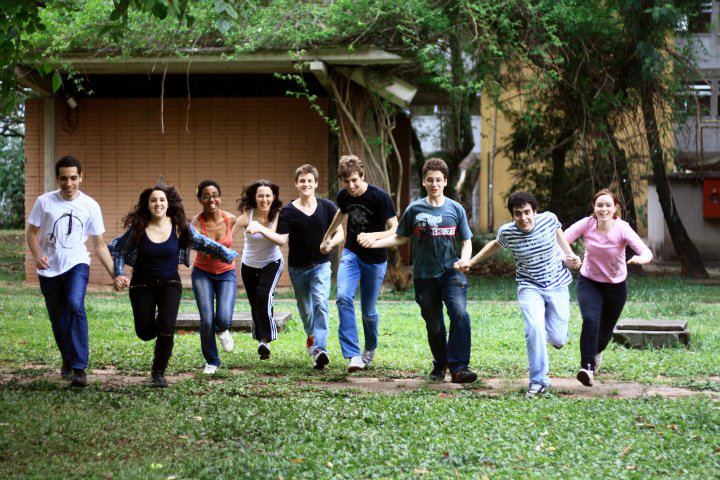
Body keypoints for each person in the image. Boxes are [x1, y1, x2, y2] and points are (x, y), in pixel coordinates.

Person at [359, 158, 477, 383]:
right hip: (424, 276)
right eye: (430, 180)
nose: (434, 184)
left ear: (445, 182)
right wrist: (373, 243)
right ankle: (440, 365)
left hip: (451, 272)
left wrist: (464, 260)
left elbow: (467, 240)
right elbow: (400, 237)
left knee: (460, 314)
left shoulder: (455, 208)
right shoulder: (414, 209)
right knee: (434, 324)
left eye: (439, 180)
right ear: (424, 181)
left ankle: (460, 368)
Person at [109, 181, 237, 387]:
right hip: (142, 285)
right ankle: (158, 323)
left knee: (167, 329)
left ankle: (158, 373)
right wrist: (118, 272)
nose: (158, 203)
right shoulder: (139, 228)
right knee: (145, 333)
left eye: (162, 200)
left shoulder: (179, 227)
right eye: (153, 200)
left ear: (168, 203)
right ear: (147, 204)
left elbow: (203, 242)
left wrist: (226, 253)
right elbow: (117, 248)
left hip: (170, 284)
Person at [456, 192, 581, 397]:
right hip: (529, 285)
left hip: (557, 283)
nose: (523, 218)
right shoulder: (508, 232)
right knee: (534, 329)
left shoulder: (549, 219)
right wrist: (471, 261)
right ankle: (539, 381)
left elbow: (560, 237)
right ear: (512, 215)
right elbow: (494, 245)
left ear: (535, 211)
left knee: (558, 338)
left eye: (527, 212)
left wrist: (570, 256)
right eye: (517, 214)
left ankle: (557, 338)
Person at [26, 156, 118, 387]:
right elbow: (31, 233)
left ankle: (79, 367)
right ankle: (67, 358)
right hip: (49, 269)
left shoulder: (90, 205)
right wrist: (37, 256)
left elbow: (99, 245)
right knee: (58, 318)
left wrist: (115, 274)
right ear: (57, 178)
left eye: (74, 178)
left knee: (75, 304)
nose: (69, 183)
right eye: (64, 178)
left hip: (77, 263)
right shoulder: (44, 202)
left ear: (81, 177)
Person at [565, 188, 653, 387]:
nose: (603, 209)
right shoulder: (587, 224)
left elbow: (646, 251)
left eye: (607, 205)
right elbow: (562, 238)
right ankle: (586, 367)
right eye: (599, 205)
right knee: (590, 320)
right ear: (594, 208)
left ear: (615, 208)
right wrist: (568, 256)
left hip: (616, 286)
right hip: (589, 282)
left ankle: (597, 352)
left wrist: (641, 258)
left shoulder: (622, 228)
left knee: (605, 330)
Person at [259, 165, 344, 369]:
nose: (306, 184)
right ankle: (311, 336)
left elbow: (340, 233)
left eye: (309, 180)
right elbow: (282, 239)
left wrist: (331, 243)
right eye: (302, 181)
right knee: (306, 311)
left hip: (321, 265)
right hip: (298, 268)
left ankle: (320, 349)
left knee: (321, 303)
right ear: (296, 184)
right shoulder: (288, 211)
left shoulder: (328, 207)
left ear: (315, 183)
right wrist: (261, 230)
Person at [320, 155, 397, 372]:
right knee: (343, 297)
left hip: (375, 259)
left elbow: (395, 228)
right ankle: (353, 355)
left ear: (362, 176)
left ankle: (370, 348)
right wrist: (327, 236)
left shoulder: (380, 197)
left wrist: (374, 236)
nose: (351, 186)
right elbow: (340, 214)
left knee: (368, 311)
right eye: (347, 182)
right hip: (352, 254)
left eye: (355, 180)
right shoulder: (344, 195)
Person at [232, 180, 284, 361]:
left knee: (264, 295)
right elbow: (229, 237)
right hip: (248, 265)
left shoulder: (277, 215)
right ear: (255, 197)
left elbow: (279, 239)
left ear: (273, 197)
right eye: (260, 195)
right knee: (255, 302)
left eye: (268, 195)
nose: (264, 199)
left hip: (272, 262)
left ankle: (266, 338)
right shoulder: (247, 215)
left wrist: (260, 227)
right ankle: (261, 340)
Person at [191, 180, 238, 375]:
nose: (212, 199)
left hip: (227, 273)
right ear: (200, 199)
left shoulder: (231, 219)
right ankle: (212, 360)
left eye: (215, 195)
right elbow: (204, 248)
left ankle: (222, 330)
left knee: (224, 318)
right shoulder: (195, 224)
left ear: (220, 197)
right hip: (202, 273)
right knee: (207, 320)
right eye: (206, 196)